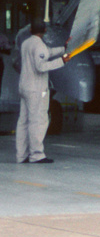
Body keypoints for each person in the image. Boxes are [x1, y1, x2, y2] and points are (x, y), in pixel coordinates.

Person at [16, 22, 66, 163]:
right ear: (45, 30)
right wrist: (62, 61)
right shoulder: (39, 45)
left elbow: (47, 52)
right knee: (38, 121)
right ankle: (36, 155)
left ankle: (21, 155)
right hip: (36, 89)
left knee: (23, 121)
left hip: (24, 87)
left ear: (31, 29)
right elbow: (41, 66)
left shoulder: (26, 43)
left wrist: (63, 49)